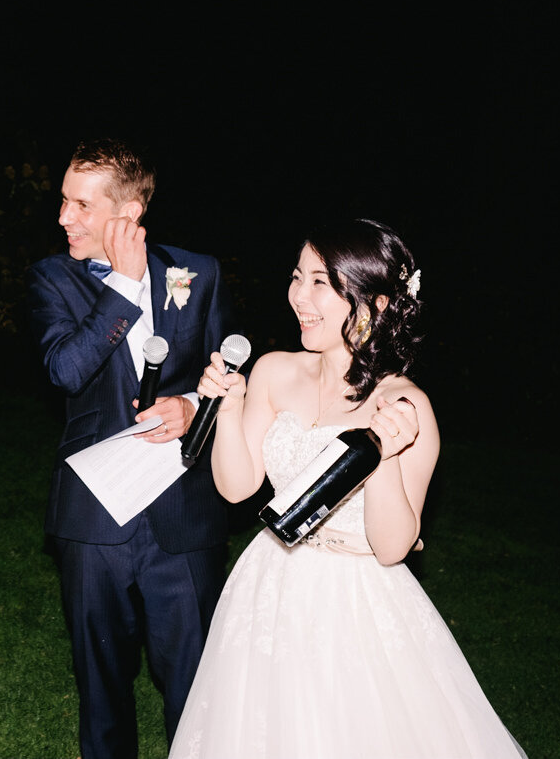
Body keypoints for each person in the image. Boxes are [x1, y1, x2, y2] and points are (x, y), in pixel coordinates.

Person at [169, 219, 524, 758]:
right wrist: (230, 404)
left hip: (353, 604)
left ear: (376, 303)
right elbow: (237, 488)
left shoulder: (404, 404)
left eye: (320, 283)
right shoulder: (273, 370)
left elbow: (392, 546)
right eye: (296, 276)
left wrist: (382, 454)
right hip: (266, 583)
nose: (298, 297)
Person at [27, 139, 237, 758]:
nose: (64, 218)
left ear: (132, 210)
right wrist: (120, 281)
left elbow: (233, 383)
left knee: (195, 691)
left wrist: (195, 406)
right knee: (102, 691)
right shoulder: (53, 279)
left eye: (82, 206)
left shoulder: (199, 273)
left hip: (184, 516)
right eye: (63, 201)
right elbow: (67, 370)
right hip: (94, 521)